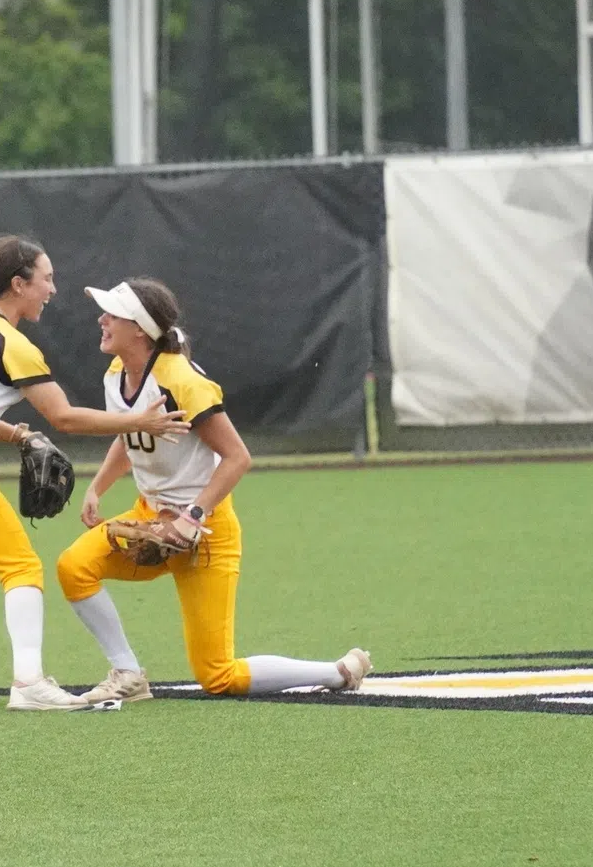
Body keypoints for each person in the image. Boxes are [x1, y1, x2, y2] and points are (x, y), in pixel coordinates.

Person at [0, 237, 188, 711]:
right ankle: (29, 683)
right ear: (18, 283)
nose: (51, 289)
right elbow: (65, 417)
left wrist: (16, 436)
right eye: (46, 278)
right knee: (21, 566)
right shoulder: (13, 343)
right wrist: (140, 421)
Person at [55, 277, 373, 705]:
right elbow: (131, 433)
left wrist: (192, 516)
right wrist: (98, 486)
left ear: (140, 329)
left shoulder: (181, 381)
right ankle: (128, 673)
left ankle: (338, 673)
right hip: (150, 516)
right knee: (74, 567)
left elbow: (237, 456)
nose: (102, 319)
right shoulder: (117, 373)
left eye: (113, 313)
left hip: (206, 533)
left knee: (217, 675)